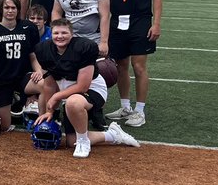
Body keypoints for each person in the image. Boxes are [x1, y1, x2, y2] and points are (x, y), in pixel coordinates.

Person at [34, 18, 139, 158]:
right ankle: (113, 135)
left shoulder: (84, 47)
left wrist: (56, 97)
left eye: (64, 33)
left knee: (73, 103)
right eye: (56, 33)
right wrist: (50, 111)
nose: (60, 36)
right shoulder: (43, 49)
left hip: (92, 89)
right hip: (69, 92)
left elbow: (82, 86)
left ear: (72, 34)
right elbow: (49, 83)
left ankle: (84, 142)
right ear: (51, 34)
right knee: (71, 141)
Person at [104, 0, 163, 129]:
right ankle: (125, 106)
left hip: (140, 21)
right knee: (120, 66)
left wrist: (156, 23)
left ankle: (140, 110)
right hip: (116, 23)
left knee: (139, 67)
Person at [0, 0, 43, 135]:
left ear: (18, 10)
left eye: (13, 8)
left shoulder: (28, 27)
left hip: (23, 76)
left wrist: (39, 71)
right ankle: (16, 102)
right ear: (1, 9)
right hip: (1, 79)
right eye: (7, 7)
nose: (10, 11)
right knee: (4, 127)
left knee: (46, 84)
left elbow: (33, 55)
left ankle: (45, 115)